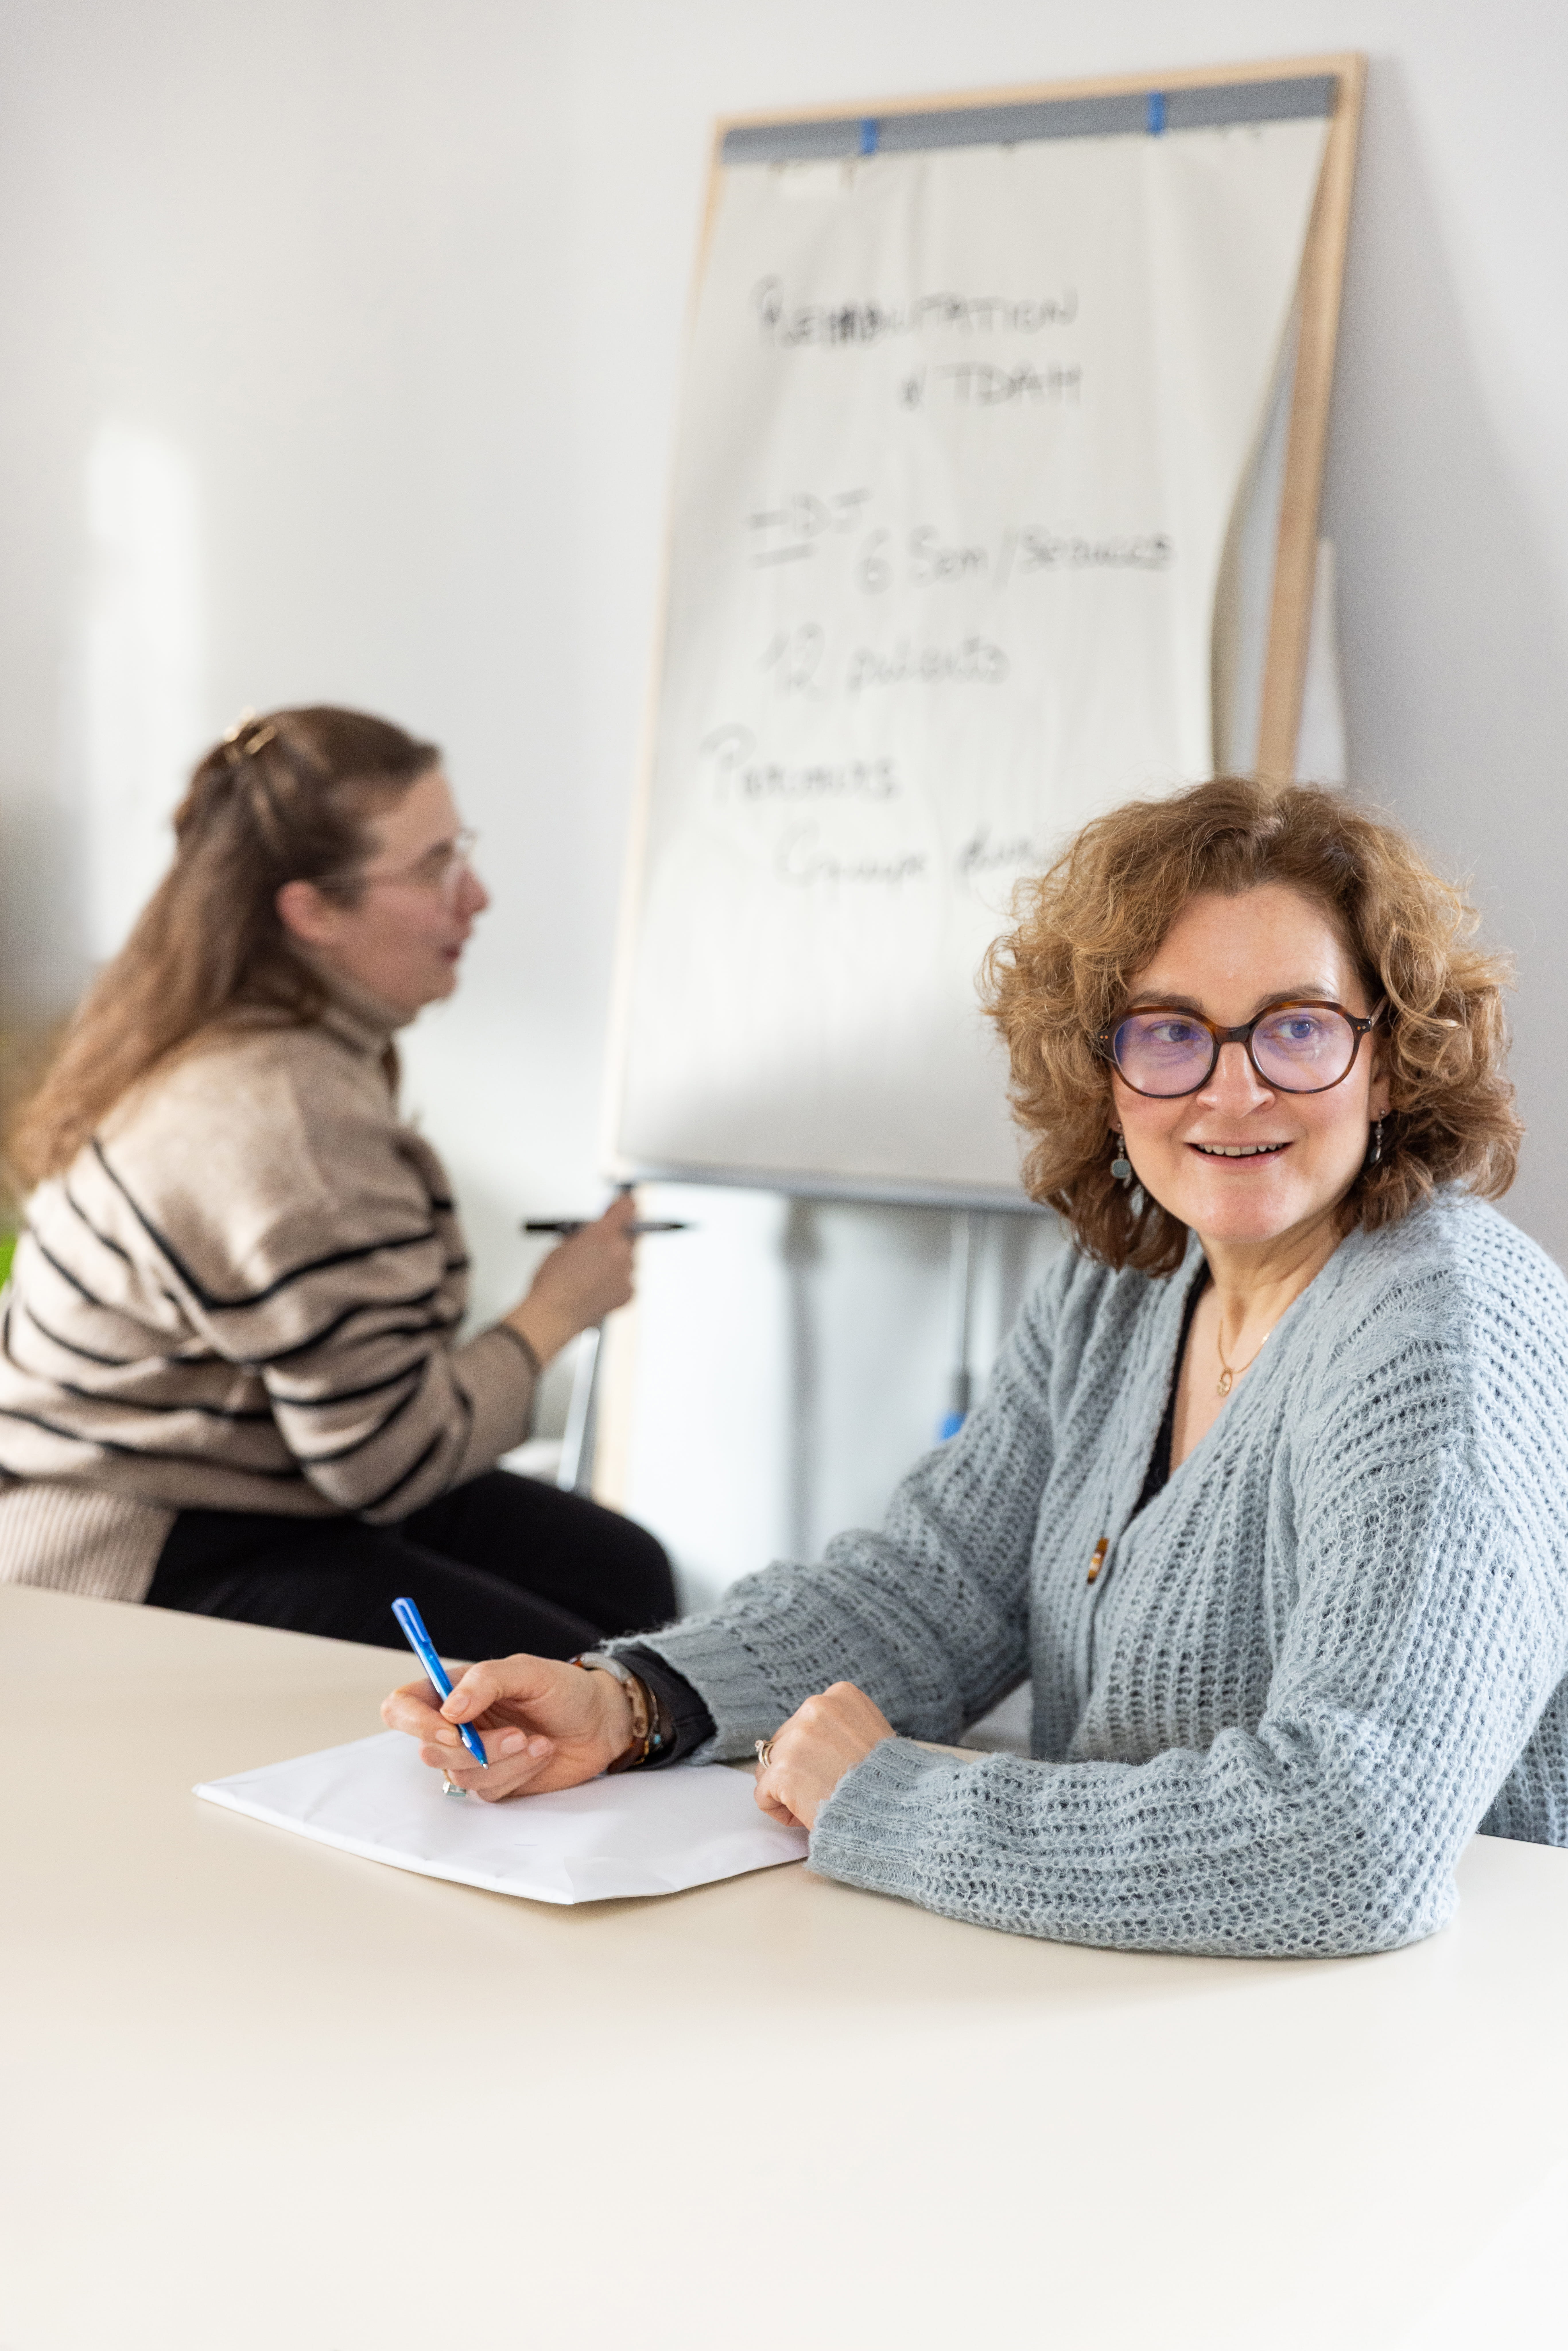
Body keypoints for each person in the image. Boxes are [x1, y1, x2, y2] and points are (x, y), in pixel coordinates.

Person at [384, 773, 1568, 1959]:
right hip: (1137, 1993)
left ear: (1392, 1053)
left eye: (1297, 1025)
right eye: (1168, 1031)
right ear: (1103, 1074)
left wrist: (893, 1802)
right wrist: (630, 1702)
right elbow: (935, 1589)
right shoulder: (1133, 1273)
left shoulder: (1439, 1338)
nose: (1233, 1085)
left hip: (1419, 2047)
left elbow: (1350, 1838)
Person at [0, 705, 675, 1658]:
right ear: (312, 909)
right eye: (433, 865)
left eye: (461, 850)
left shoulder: (236, 1036)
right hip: (135, 1541)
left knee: (622, 1574)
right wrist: (557, 1311)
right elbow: (391, 1462)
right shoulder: (289, 1123)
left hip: (233, 1475)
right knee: (582, 1674)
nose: (475, 895)